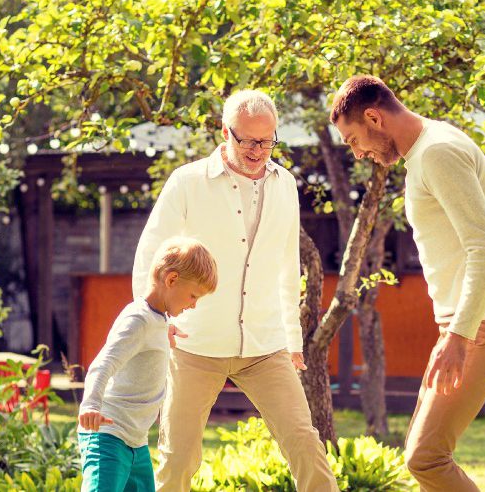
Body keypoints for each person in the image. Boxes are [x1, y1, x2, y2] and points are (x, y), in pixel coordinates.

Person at [132, 89, 339, 491]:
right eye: (248, 140)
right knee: (178, 457)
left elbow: (285, 263)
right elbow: (150, 253)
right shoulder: (188, 182)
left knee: (304, 443)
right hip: (195, 345)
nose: (259, 150)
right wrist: (153, 321)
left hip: (264, 346)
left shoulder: (285, 184)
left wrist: (292, 338)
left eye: (268, 140)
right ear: (226, 131)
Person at [329, 75, 485, 492]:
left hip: (483, 326)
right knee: (421, 455)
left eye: (353, 140)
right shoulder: (430, 147)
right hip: (467, 325)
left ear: (373, 117)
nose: (359, 152)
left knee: (427, 458)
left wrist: (459, 335)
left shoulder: (437, 153)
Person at [77, 236, 218, 492]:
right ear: (172, 279)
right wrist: (91, 405)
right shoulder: (138, 320)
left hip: (136, 441)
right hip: (108, 435)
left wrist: (165, 335)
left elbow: (148, 342)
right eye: (193, 296)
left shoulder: (158, 321)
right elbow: (103, 363)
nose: (194, 304)